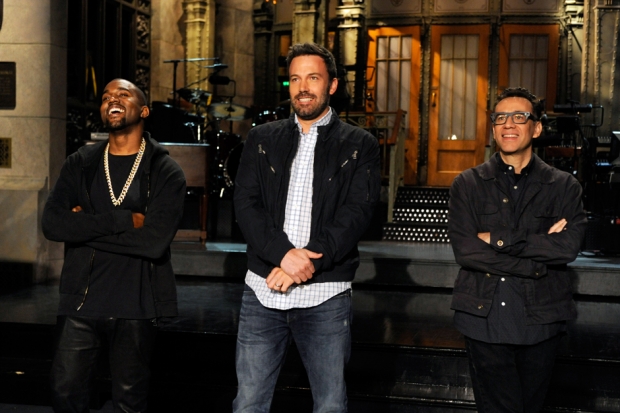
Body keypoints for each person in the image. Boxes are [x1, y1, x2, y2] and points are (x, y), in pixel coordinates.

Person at [232, 43, 381, 412]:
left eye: (313, 78)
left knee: (330, 405)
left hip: (325, 296)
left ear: (331, 85)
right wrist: (283, 256)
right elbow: (246, 205)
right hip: (263, 290)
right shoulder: (261, 138)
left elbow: (356, 213)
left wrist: (304, 264)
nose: (302, 87)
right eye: (295, 79)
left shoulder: (360, 144)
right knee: (248, 403)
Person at [42, 78, 186, 412]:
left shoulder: (166, 171)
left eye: (123, 94)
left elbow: (153, 243)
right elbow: (52, 224)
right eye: (106, 96)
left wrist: (82, 225)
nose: (112, 100)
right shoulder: (81, 163)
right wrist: (122, 221)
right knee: (65, 394)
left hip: (135, 305)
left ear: (144, 109)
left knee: (129, 402)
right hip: (80, 301)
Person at [448, 87, 587, 413]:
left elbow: (567, 248)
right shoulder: (467, 184)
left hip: (542, 319)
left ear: (536, 127)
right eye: (500, 118)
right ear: (493, 126)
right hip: (484, 319)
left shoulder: (564, 186)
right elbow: (466, 251)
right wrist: (537, 261)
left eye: (519, 116)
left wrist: (498, 238)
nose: (508, 124)